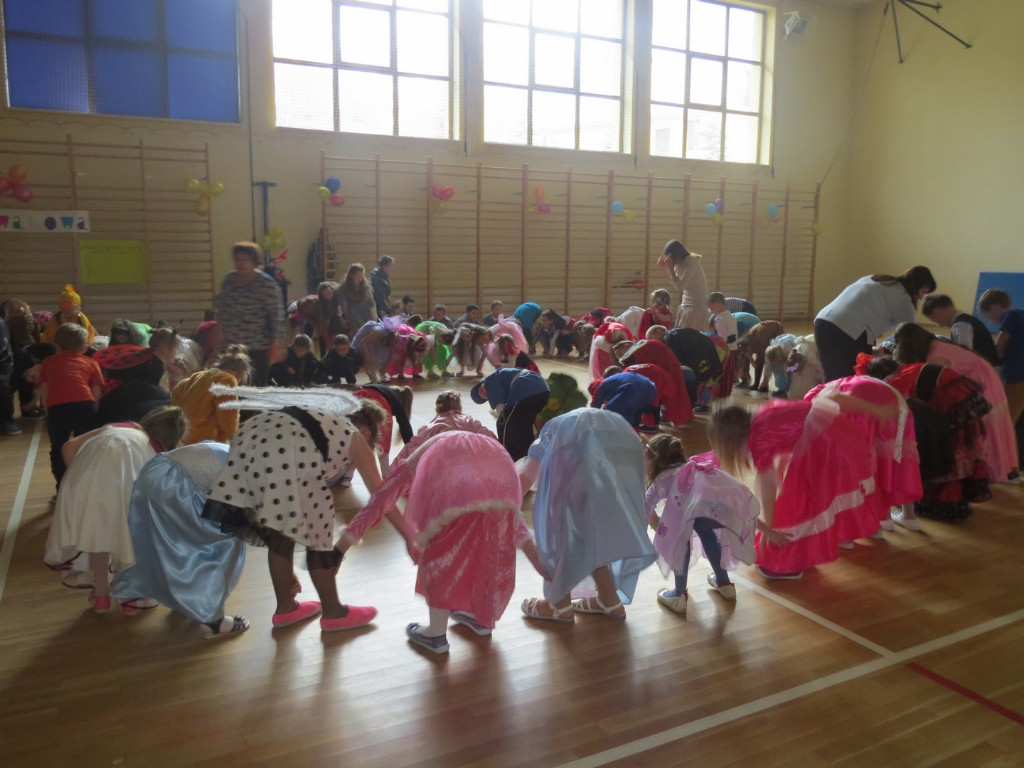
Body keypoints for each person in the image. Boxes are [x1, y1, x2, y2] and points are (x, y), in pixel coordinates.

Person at [203, 387, 403, 632]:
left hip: (251, 435)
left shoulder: (322, 418)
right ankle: (334, 612)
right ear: (367, 432)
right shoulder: (353, 435)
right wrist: (409, 534)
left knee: (280, 529)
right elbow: (380, 495)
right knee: (319, 532)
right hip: (286, 445)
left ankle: (286, 608)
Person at [340, 431, 545, 654]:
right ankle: (482, 620)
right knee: (488, 546)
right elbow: (512, 518)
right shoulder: (479, 443)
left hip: (457, 485)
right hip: (503, 477)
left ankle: (436, 634)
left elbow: (384, 494)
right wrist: (535, 557)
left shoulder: (428, 449)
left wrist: (344, 542)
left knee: (440, 554)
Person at [709, 395, 888, 580]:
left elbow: (767, 485)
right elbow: (789, 436)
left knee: (800, 503)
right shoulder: (761, 417)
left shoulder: (758, 438)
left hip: (830, 447)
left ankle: (788, 563)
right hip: (838, 438)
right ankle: (809, 551)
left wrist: (769, 528)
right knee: (808, 500)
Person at [517, 409, 657, 623]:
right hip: (619, 482)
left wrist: (504, 505)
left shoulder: (551, 435)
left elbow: (525, 477)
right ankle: (609, 599)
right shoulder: (595, 426)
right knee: (593, 538)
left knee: (562, 539)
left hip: (584, 482)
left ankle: (558, 604)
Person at [43, 407, 186, 613]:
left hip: (81, 485)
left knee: (96, 537)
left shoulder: (117, 428)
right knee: (132, 540)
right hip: (121, 488)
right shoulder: (156, 454)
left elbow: (68, 447)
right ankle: (131, 596)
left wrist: (83, 480)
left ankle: (101, 595)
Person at [110, 441, 250, 637]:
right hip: (176, 487)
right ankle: (211, 619)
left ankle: (135, 593)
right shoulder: (250, 476)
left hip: (154, 473)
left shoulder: (231, 452)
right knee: (222, 544)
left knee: (154, 540)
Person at [866, 356, 990, 523]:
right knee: (959, 452)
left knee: (942, 452)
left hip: (947, 405)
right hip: (964, 402)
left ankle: (944, 504)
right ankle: (956, 499)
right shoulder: (910, 368)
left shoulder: (894, 384)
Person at [644, 435, 759, 614]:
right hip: (716, 511)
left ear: (655, 461)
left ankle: (679, 594)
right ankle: (724, 583)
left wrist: (657, 525)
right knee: (706, 533)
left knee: (681, 542)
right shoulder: (694, 468)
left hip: (697, 511)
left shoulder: (662, 479)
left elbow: (645, 506)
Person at [892, 322, 1020, 483]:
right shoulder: (935, 344)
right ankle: (1000, 470)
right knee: (992, 430)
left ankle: (992, 472)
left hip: (981, 385)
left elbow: (938, 385)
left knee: (986, 430)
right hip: (984, 381)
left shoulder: (935, 355)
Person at [814, 267, 936, 382]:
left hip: (822, 321)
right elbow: (911, 334)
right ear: (915, 285)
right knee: (853, 378)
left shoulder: (876, 279)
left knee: (834, 377)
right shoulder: (902, 297)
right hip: (848, 329)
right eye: (922, 291)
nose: (921, 297)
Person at [33, 323, 103, 490]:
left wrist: (47, 408)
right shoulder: (90, 362)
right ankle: (84, 485)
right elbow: (97, 391)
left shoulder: (48, 362)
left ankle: (62, 487)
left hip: (58, 407)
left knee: (58, 447)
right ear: (83, 346)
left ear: (56, 343)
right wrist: (94, 409)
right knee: (85, 445)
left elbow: (45, 388)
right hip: (83, 404)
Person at [214, 242, 286, 386]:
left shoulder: (266, 284)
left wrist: (276, 345)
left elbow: (276, 317)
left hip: (257, 348)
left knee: (255, 390)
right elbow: (222, 311)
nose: (240, 263)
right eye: (237, 259)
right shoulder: (229, 280)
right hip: (232, 348)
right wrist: (219, 336)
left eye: (244, 260)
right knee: (231, 387)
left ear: (254, 261)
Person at [172, 345, 252, 445]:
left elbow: (175, 397)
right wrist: (237, 441)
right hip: (202, 443)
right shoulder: (227, 380)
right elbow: (228, 420)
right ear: (240, 374)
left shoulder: (197, 377)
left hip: (180, 438)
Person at [978, 289, 1024, 456]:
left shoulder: (1010, 316)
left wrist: (990, 359)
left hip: (1018, 376)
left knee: (1006, 421)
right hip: (1017, 375)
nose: (992, 321)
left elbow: (1002, 341)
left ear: (995, 307)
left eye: (990, 317)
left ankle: (1004, 459)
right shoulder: (1020, 315)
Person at [394, 390, 496, 464]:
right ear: (460, 407)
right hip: (469, 462)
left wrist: (397, 468)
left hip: (444, 465)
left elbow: (414, 447)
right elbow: (489, 436)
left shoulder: (434, 425)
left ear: (437, 408)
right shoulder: (469, 421)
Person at [471, 367, 550, 461]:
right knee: (521, 425)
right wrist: (535, 434)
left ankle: (508, 459)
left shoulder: (490, 380)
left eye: (482, 390)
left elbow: (502, 415)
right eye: (485, 397)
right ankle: (529, 456)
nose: (485, 393)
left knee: (504, 425)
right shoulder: (503, 383)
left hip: (527, 387)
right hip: (542, 389)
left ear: (481, 383)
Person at [353, 383, 414, 476]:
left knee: (349, 434)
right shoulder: (395, 401)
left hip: (357, 395)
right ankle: (386, 474)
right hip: (379, 401)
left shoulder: (382, 389)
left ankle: (346, 474)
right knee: (383, 443)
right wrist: (411, 445)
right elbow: (404, 425)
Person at [922, 294, 999, 367]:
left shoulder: (961, 326)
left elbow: (964, 358)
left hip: (986, 371)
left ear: (937, 312)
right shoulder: (966, 320)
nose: (940, 325)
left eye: (936, 320)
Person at [658, 240, 709, 331]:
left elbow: (679, 287)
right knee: (682, 333)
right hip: (686, 304)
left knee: (690, 334)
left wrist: (670, 267)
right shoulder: (680, 263)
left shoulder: (691, 263)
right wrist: (665, 268)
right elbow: (674, 281)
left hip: (696, 305)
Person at [591, 369, 657, 429]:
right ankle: (634, 432)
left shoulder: (602, 385)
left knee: (610, 409)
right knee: (635, 412)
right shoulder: (619, 379)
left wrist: (593, 423)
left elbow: (595, 408)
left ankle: (615, 431)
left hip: (634, 390)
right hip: (652, 390)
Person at [708, 292, 740, 398]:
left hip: (725, 351)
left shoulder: (720, 319)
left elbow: (723, 339)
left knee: (722, 374)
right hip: (733, 348)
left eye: (711, 307)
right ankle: (725, 394)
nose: (710, 310)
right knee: (728, 374)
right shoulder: (730, 316)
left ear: (718, 304)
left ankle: (720, 394)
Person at [351, 319, 398, 383]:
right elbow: (363, 341)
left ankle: (382, 374)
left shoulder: (393, 335)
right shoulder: (377, 332)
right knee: (371, 357)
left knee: (383, 356)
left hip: (378, 339)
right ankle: (372, 375)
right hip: (365, 340)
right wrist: (367, 353)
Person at [339, 263, 377, 332]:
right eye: (357, 276)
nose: (360, 279)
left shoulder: (366, 285)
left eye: (362, 276)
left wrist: (374, 321)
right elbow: (344, 307)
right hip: (353, 315)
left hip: (366, 312)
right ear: (351, 275)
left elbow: (371, 303)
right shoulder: (343, 288)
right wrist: (347, 320)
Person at [370, 255, 395, 319]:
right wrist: (389, 311)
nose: (393, 268)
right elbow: (379, 298)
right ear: (385, 266)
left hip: (378, 305)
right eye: (391, 266)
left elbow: (387, 292)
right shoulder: (377, 279)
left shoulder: (384, 275)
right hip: (373, 306)